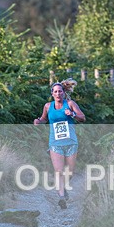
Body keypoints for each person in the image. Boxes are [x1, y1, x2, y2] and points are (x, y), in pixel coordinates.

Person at [33, 80, 86, 209]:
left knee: (70, 172)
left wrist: (72, 114)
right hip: (55, 143)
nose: (58, 93)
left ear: (64, 93)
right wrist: (39, 121)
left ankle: (63, 188)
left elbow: (83, 118)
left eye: (60, 91)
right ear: (52, 94)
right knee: (59, 171)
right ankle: (61, 197)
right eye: (55, 91)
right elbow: (44, 118)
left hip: (71, 142)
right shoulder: (47, 106)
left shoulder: (70, 104)